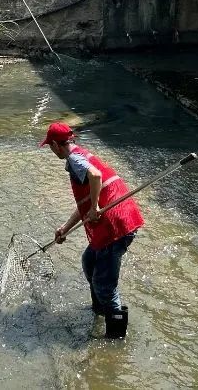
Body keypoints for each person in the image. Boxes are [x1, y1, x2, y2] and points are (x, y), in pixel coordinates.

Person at [41, 121, 144, 340]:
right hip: (118, 221)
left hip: (115, 226)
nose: (51, 151)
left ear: (57, 146)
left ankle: (116, 340)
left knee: (104, 285)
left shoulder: (74, 159)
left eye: (50, 146)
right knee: (89, 262)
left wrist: (96, 207)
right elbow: (86, 202)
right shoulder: (81, 155)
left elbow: (95, 176)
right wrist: (65, 228)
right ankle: (100, 310)